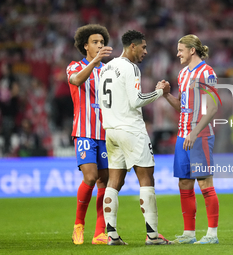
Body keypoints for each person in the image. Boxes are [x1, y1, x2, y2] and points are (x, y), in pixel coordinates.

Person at [98, 30, 172, 245]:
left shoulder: (106, 68)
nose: (145, 52)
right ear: (132, 46)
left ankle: (111, 234)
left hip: (110, 130)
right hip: (130, 129)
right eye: (143, 47)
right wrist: (160, 91)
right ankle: (153, 235)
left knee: (114, 181)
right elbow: (136, 100)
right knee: (146, 179)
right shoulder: (130, 68)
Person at [162, 34, 220, 244]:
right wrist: (167, 95)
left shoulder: (207, 72)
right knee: (184, 183)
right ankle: (189, 234)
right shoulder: (183, 74)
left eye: (180, 50)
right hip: (182, 135)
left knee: (204, 183)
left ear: (191, 50)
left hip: (200, 136)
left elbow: (212, 107)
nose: (177, 53)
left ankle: (212, 235)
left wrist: (194, 132)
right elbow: (182, 107)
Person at [66, 24, 112, 245]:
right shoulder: (74, 66)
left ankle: (100, 232)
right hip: (84, 132)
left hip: (105, 133)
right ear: (85, 45)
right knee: (91, 177)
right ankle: (78, 225)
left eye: (102, 42)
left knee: (104, 181)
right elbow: (75, 81)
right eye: (95, 42)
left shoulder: (108, 71)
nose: (100, 46)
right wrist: (94, 62)